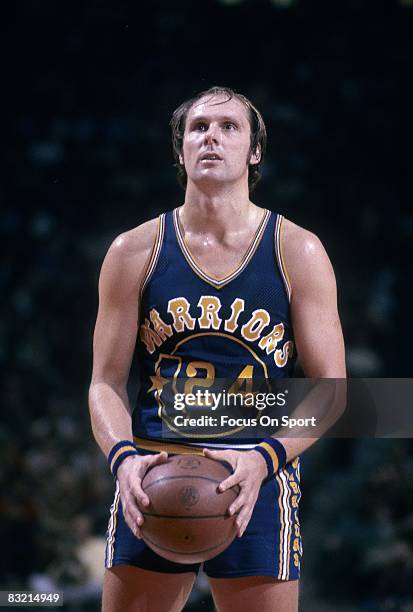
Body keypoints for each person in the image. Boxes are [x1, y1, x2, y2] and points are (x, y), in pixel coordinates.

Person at [88, 86, 346, 612]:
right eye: (198, 127)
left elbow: (332, 389)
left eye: (229, 127)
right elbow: (104, 384)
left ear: (254, 152)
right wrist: (123, 461)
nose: (211, 137)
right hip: (153, 472)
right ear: (179, 149)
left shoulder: (297, 249)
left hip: (259, 472)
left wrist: (264, 459)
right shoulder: (132, 250)